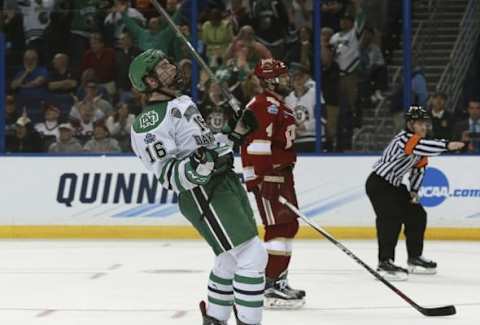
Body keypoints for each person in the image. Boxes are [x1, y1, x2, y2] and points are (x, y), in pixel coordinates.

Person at [128, 49, 267, 325]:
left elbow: (205, 146)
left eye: (168, 62)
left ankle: (215, 320)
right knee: (252, 255)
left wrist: (233, 133)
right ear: (151, 82)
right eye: (163, 66)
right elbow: (169, 175)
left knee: (229, 258)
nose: (171, 67)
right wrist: (199, 165)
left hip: (224, 182)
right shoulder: (149, 122)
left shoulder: (182, 101)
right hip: (203, 192)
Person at [233, 58, 306, 309]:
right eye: (283, 76)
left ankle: (279, 280)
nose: (288, 80)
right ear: (270, 80)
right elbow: (255, 146)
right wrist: (262, 178)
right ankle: (270, 285)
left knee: (288, 226)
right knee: (278, 229)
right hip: (271, 177)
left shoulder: (277, 105)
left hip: (282, 176)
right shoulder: (263, 105)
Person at [365, 106, 465, 281]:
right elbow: (422, 146)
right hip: (379, 184)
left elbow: (418, 171)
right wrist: (447, 145)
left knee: (417, 214)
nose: (424, 127)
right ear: (410, 124)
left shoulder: (420, 145)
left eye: (425, 123)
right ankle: (384, 261)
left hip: (394, 185)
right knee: (390, 219)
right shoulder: (405, 139)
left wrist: (413, 192)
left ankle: (414, 257)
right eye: (420, 123)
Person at [285, 63, 319, 152]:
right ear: (291, 82)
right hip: (297, 141)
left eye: (300, 78)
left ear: (305, 78)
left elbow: (322, 119)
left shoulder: (315, 94)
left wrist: (304, 127)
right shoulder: (288, 99)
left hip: (314, 139)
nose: (298, 81)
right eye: (294, 79)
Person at [10, 49, 49, 123]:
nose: (29, 61)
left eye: (32, 59)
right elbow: (13, 86)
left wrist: (21, 85)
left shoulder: (42, 70)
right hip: (21, 107)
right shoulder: (20, 72)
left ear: (36, 60)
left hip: (37, 107)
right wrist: (26, 72)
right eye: (26, 59)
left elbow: (37, 83)